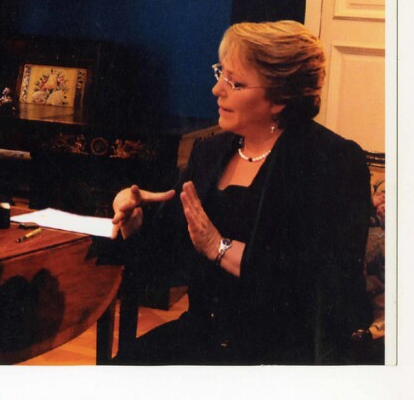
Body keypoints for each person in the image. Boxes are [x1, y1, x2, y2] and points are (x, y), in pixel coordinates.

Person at [111, 20, 374, 364]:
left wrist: (218, 246)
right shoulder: (209, 153)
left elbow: (324, 285)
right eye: (220, 73)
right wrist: (136, 224)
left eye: (234, 82)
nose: (217, 90)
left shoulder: (332, 160)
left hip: (282, 354)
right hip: (202, 336)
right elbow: (168, 262)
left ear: (279, 98)